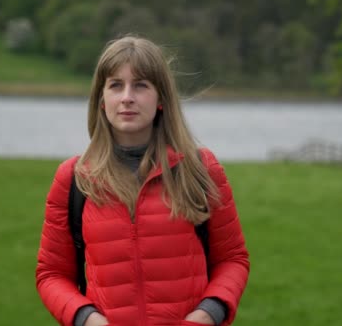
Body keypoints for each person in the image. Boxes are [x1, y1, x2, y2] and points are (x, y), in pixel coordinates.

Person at [35, 36, 250, 326]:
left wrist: (207, 315)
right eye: (115, 85)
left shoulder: (200, 168)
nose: (127, 97)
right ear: (101, 99)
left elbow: (233, 259)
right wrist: (86, 319)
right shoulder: (74, 178)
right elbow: (51, 274)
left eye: (140, 85)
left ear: (160, 98)